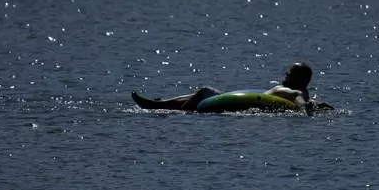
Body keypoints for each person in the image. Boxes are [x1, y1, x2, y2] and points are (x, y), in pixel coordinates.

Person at [132, 62, 321, 114]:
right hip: (246, 101)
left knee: (204, 91)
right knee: (197, 95)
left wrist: (303, 108)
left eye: (288, 74)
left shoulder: (293, 90)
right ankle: (159, 105)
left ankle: (179, 112)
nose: (284, 76)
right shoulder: (296, 90)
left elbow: (298, 96)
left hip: (241, 104)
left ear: (296, 78)